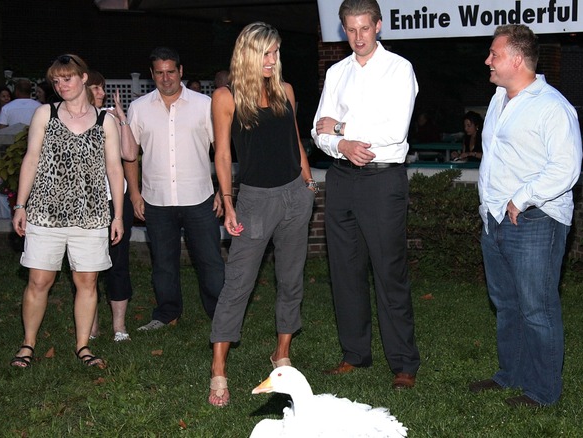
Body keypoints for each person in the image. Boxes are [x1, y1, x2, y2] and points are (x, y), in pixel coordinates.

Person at [468, 25, 582, 407]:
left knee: (537, 308)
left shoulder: (553, 106)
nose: (488, 60)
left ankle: (543, 391)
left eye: (494, 54)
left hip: (535, 221)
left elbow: (566, 168)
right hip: (495, 219)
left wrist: (522, 199)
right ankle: (510, 375)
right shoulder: (500, 99)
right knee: (507, 305)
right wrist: (490, 206)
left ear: (516, 60)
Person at [312, 0, 420, 390]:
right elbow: (316, 131)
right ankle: (355, 354)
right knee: (344, 272)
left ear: (378, 26)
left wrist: (341, 127)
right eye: (350, 29)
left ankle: (404, 363)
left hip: (382, 180)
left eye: (364, 28)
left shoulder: (399, 69)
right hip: (341, 178)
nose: (358, 37)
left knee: (389, 272)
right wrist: (341, 145)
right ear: (344, 30)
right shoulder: (337, 72)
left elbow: (394, 128)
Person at [207, 22, 317, 407]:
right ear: (248, 54)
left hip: (293, 196)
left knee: (291, 279)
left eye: (276, 53)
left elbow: (295, 140)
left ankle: (281, 352)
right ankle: (218, 369)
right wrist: (228, 199)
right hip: (253, 200)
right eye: (266, 53)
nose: (273, 60)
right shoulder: (227, 96)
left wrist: (308, 183)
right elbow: (222, 153)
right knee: (238, 283)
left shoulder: (285, 90)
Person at [9, 54, 126, 369]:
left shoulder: (107, 121)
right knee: (39, 280)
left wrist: (117, 215)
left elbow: (115, 169)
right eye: (56, 81)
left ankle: (83, 347)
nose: (61, 85)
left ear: (84, 78)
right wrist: (20, 205)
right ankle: (27, 344)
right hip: (46, 212)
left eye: (68, 78)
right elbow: (31, 159)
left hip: (91, 215)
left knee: (87, 282)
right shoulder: (45, 114)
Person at [124, 47, 224, 331]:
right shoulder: (139, 107)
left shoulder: (205, 104)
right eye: (159, 72)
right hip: (156, 199)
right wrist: (134, 193)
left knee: (211, 262)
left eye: (171, 71)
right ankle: (167, 314)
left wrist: (221, 190)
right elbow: (130, 154)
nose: (166, 78)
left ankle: (220, 315)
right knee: (163, 263)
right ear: (152, 74)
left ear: (181, 71)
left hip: (200, 198)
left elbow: (221, 150)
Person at [86, 70, 139, 342]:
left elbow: (130, 154)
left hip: (114, 202)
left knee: (118, 263)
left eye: (102, 88)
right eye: (96, 88)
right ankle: (91, 327)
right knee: (87, 267)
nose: (102, 93)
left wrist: (122, 119)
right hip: (85, 204)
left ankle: (119, 326)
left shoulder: (110, 118)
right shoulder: (71, 120)